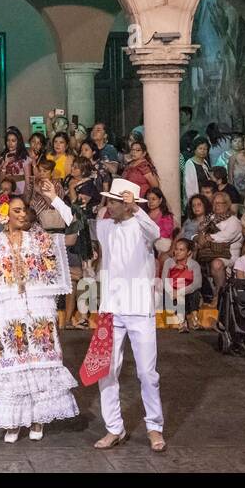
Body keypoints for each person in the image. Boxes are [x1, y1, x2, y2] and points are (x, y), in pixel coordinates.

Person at [0, 192, 78, 443]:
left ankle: (38, 419)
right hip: (6, 309)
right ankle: (13, 421)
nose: (22, 214)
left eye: (24, 209)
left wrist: (56, 200)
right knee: (13, 360)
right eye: (16, 210)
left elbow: (73, 234)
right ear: (4, 216)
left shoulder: (37, 240)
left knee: (39, 361)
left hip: (36, 307)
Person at [88, 178, 166, 452]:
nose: (108, 205)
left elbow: (155, 232)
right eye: (107, 200)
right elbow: (76, 219)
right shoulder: (105, 225)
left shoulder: (143, 227)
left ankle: (154, 427)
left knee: (147, 372)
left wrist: (137, 209)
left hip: (139, 308)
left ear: (128, 203)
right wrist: (56, 200)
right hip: (111, 309)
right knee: (106, 370)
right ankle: (114, 428)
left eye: (113, 201)